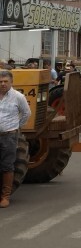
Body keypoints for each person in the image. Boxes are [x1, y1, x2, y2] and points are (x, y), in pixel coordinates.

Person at [0, 69, 32, 208]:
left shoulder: (18, 97)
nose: (2, 84)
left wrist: (16, 127)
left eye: (5, 81)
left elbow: (26, 113)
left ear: (11, 82)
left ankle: (5, 196)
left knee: (7, 165)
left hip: (8, 135)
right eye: (0, 82)